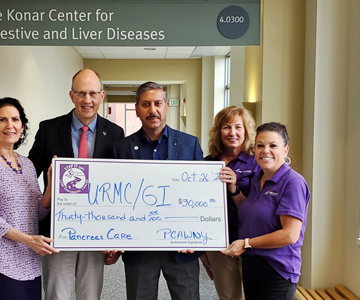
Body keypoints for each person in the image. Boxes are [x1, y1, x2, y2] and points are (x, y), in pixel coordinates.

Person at [0, 69, 125, 300]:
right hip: (56, 232)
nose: (87, 99)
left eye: (93, 93)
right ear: (71, 95)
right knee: (56, 294)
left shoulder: (115, 133)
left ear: (102, 96)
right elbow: (24, 177)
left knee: (90, 294)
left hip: (97, 230)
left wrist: (118, 237)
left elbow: (120, 187)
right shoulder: (49, 129)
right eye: (81, 93)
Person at [111, 81, 204, 300]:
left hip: (182, 247)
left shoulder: (189, 145)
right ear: (137, 109)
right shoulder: (121, 148)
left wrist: (198, 238)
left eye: (158, 103)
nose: (152, 110)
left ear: (166, 107)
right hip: (139, 249)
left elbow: (201, 195)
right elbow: (114, 198)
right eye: (146, 104)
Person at [0, 97, 58, 300]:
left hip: (29, 261)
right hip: (0, 261)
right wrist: (29, 240)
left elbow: (39, 211)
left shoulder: (26, 164)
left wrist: (51, 183)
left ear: (22, 126)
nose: (10, 126)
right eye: (2, 120)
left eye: (15, 120)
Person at [222, 122, 310, 300]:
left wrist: (246, 243)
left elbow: (289, 235)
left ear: (285, 151)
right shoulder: (258, 179)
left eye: (273, 145)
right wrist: (234, 190)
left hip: (277, 269)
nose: (265, 150)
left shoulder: (292, 182)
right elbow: (251, 211)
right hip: (252, 265)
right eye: (260, 145)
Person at [199, 106, 259, 300]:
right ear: (218, 132)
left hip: (253, 242)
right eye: (226, 127)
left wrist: (234, 186)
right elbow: (196, 208)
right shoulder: (206, 164)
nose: (232, 133)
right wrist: (201, 250)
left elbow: (261, 206)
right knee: (229, 297)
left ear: (246, 131)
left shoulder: (257, 163)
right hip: (219, 244)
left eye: (238, 127)